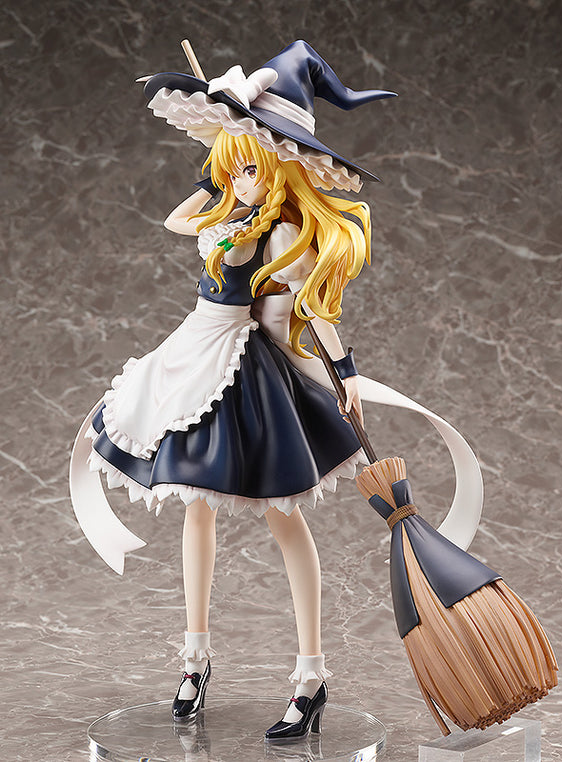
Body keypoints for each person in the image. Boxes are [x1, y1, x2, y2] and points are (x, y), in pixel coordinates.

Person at [71, 40, 397, 739]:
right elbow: (176, 220)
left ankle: (311, 676)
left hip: (242, 368)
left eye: (253, 167)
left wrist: (344, 373)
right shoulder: (227, 214)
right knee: (196, 506)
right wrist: (218, 171)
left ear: (279, 166)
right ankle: (193, 661)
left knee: (283, 513)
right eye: (235, 168)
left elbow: (310, 310)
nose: (242, 181)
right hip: (191, 355)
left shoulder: (280, 236)